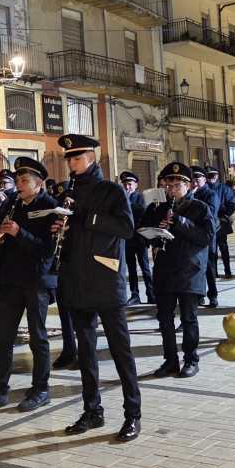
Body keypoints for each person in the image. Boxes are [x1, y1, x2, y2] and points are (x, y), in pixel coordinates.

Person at [51, 134, 141, 442]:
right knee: (86, 352)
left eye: (76, 159)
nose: (71, 165)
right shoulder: (69, 192)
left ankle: (133, 414)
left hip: (106, 279)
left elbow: (126, 229)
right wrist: (61, 226)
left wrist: (84, 217)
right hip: (77, 280)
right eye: (69, 160)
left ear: (92, 158)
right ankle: (93, 411)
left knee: (120, 351)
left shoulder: (111, 191)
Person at [0, 157, 57, 413]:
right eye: (18, 180)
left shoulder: (50, 207)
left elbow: (47, 251)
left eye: (24, 181)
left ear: (38, 184)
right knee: (5, 338)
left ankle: (40, 389)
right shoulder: (12, 205)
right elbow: (8, 238)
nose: (19, 185)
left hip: (35, 281)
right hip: (11, 282)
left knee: (38, 337)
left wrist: (19, 233)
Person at [142, 162, 214, 379]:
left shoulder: (200, 208)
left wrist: (181, 222)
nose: (171, 190)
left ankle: (191, 359)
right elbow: (142, 231)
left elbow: (207, 238)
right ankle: (170, 361)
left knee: (189, 318)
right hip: (164, 269)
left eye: (176, 186)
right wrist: (154, 233)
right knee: (164, 318)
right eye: (168, 185)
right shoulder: (157, 207)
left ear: (188, 185)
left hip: (189, 270)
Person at [49, 178, 78, 369]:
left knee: (81, 315)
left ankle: (84, 352)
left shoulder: (80, 214)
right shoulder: (57, 215)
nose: (64, 202)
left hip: (79, 269)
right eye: (62, 200)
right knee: (64, 312)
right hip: (62, 267)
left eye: (67, 199)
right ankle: (69, 349)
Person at [119, 171, 154, 305]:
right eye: (125, 185)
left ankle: (150, 293)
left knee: (144, 266)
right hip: (127, 239)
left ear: (135, 185)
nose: (127, 187)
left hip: (139, 238)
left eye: (129, 184)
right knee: (131, 268)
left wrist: (127, 205)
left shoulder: (140, 197)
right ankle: (135, 294)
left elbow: (142, 212)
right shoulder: (122, 199)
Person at [190, 166, 222, 307]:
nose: (194, 182)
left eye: (197, 179)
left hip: (207, 235)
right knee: (196, 267)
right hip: (192, 234)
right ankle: (199, 295)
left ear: (204, 179)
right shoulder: (191, 194)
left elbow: (211, 213)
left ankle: (213, 295)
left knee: (209, 267)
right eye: (192, 180)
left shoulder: (211, 194)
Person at [206, 166, 235, 280]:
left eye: (213, 175)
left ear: (217, 176)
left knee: (223, 247)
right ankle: (213, 272)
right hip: (208, 222)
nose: (211, 178)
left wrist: (224, 216)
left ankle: (227, 270)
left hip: (221, 221)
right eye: (209, 176)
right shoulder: (204, 189)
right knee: (211, 248)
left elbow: (232, 204)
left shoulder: (224, 189)